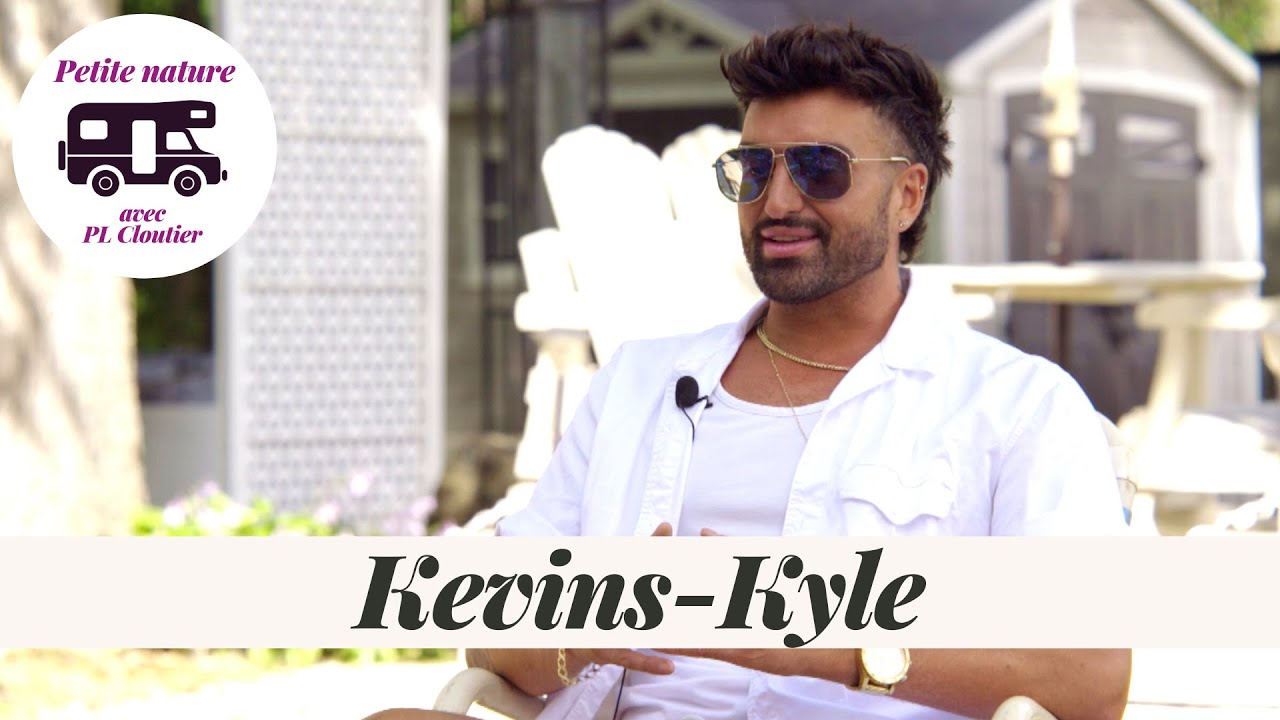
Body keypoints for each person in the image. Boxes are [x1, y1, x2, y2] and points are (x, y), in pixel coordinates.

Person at [365, 21, 1130, 720]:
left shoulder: (1015, 405)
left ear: (906, 195)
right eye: (753, 169)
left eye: (821, 168)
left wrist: (810, 640)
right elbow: (492, 637)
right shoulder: (639, 382)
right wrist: (587, 627)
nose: (778, 200)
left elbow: (1090, 679)